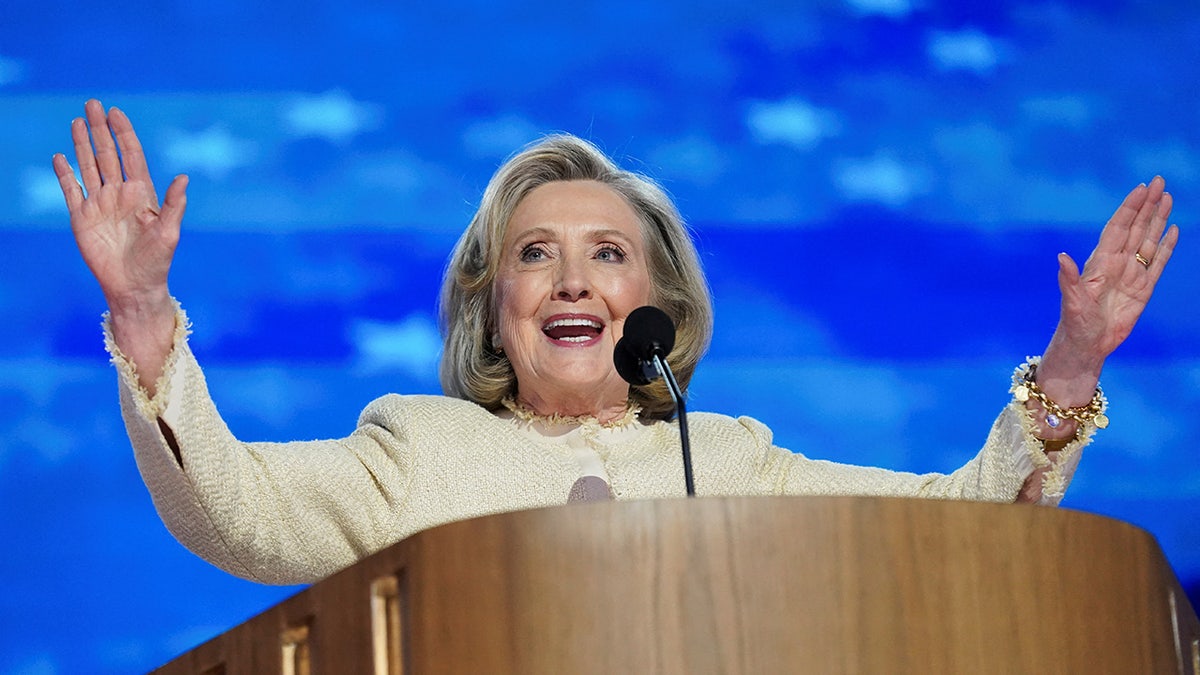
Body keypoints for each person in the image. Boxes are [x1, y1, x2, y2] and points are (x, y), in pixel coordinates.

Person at [54, 99, 1178, 586]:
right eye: (535, 254)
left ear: (659, 302)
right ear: (491, 303)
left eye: (607, 252)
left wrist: (1071, 368)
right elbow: (233, 509)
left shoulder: (734, 460)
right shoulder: (412, 447)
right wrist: (146, 318)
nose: (573, 278)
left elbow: (963, 535)